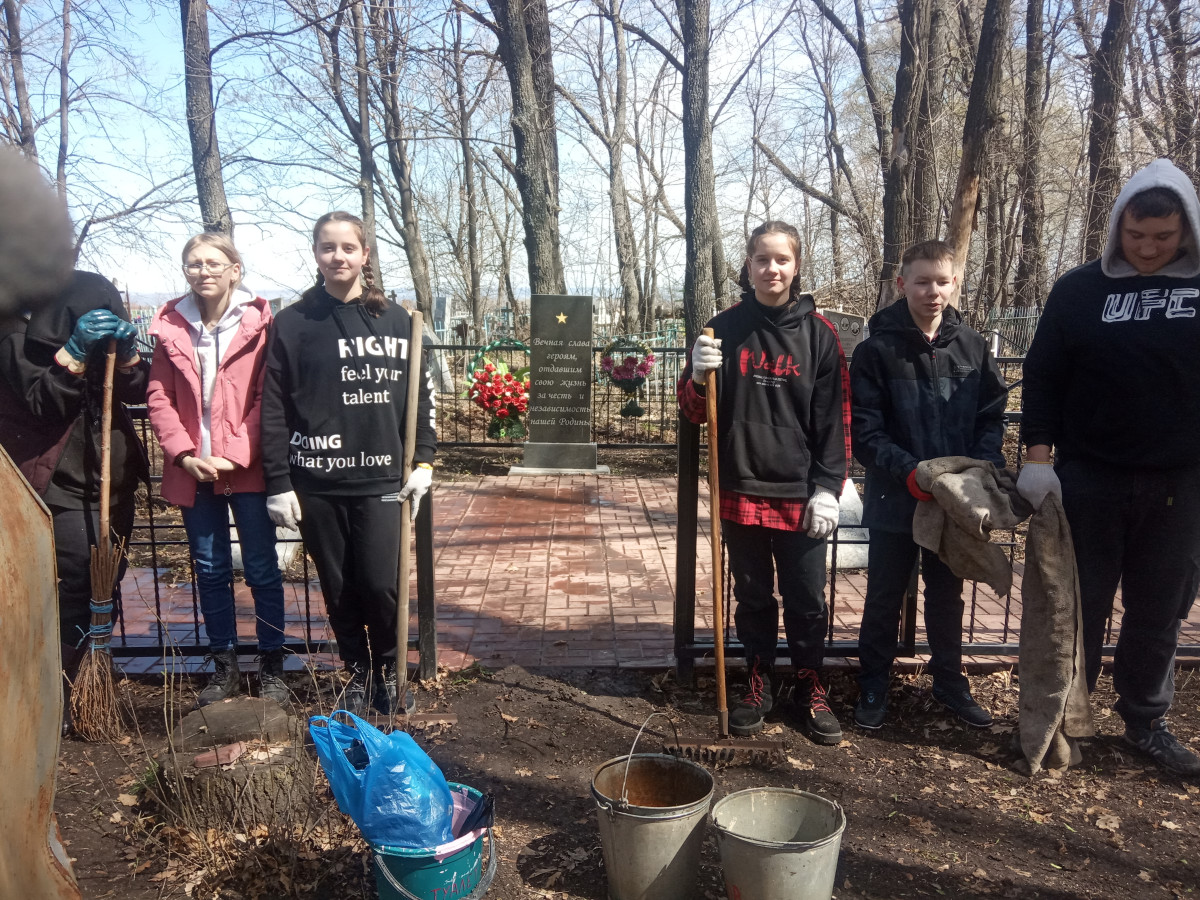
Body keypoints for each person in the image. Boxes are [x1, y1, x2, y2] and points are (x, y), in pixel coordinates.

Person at [1018, 158, 1200, 777]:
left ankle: (1146, 721)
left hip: (1181, 481)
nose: (1148, 249)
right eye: (1136, 236)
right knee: (1080, 604)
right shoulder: (1080, 290)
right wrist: (1038, 459)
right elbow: (1043, 376)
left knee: (1160, 608)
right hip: (1090, 475)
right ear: (1118, 227)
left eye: (1163, 238)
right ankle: (1069, 717)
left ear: (1187, 231)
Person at [677, 220, 850, 744]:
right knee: (752, 596)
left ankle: (808, 681)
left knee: (806, 599)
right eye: (761, 259)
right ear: (747, 265)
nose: (771, 269)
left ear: (796, 267)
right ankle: (757, 678)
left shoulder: (820, 335)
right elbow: (693, 414)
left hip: (800, 493)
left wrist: (828, 486)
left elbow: (834, 418)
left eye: (782, 260)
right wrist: (694, 372)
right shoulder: (721, 328)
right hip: (741, 484)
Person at [261, 211, 436, 716]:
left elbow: (419, 400)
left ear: (364, 254)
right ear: (315, 254)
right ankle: (356, 672)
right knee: (338, 588)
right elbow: (272, 406)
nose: (338, 256)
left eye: (347, 247)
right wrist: (278, 480)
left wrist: (423, 460)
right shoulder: (292, 323)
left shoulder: (398, 320)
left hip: (383, 477)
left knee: (381, 584)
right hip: (317, 479)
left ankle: (388, 669)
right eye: (327, 247)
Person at [849, 240, 1008, 730]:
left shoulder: (973, 347)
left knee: (947, 594)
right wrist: (912, 473)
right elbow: (866, 432)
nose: (932, 291)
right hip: (897, 495)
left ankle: (949, 682)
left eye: (942, 281)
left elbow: (991, 414)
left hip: (956, 500)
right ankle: (873, 681)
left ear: (955, 282)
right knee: (883, 594)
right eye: (922, 281)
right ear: (902, 284)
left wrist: (979, 470)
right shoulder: (876, 350)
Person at [0, 271, 148, 733]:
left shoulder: (90, 295)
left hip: (110, 478)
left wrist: (126, 358)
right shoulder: (11, 330)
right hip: (56, 481)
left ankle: (91, 682)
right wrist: (75, 356)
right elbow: (42, 403)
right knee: (71, 589)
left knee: (106, 584)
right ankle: (60, 695)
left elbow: (137, 390)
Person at [146, 233, 288, 708]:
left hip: (244, 467)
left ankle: (272, 665)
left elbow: (268, 398)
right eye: (192, 264)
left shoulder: (260, 325)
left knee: (263, 568)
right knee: (209, 569)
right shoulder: (172, 325)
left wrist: (235, 453)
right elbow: (158, 397)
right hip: (194, 468)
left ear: (235, 269)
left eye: (212, 262)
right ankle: (223, 664)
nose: (202, 271)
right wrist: (185, 453)